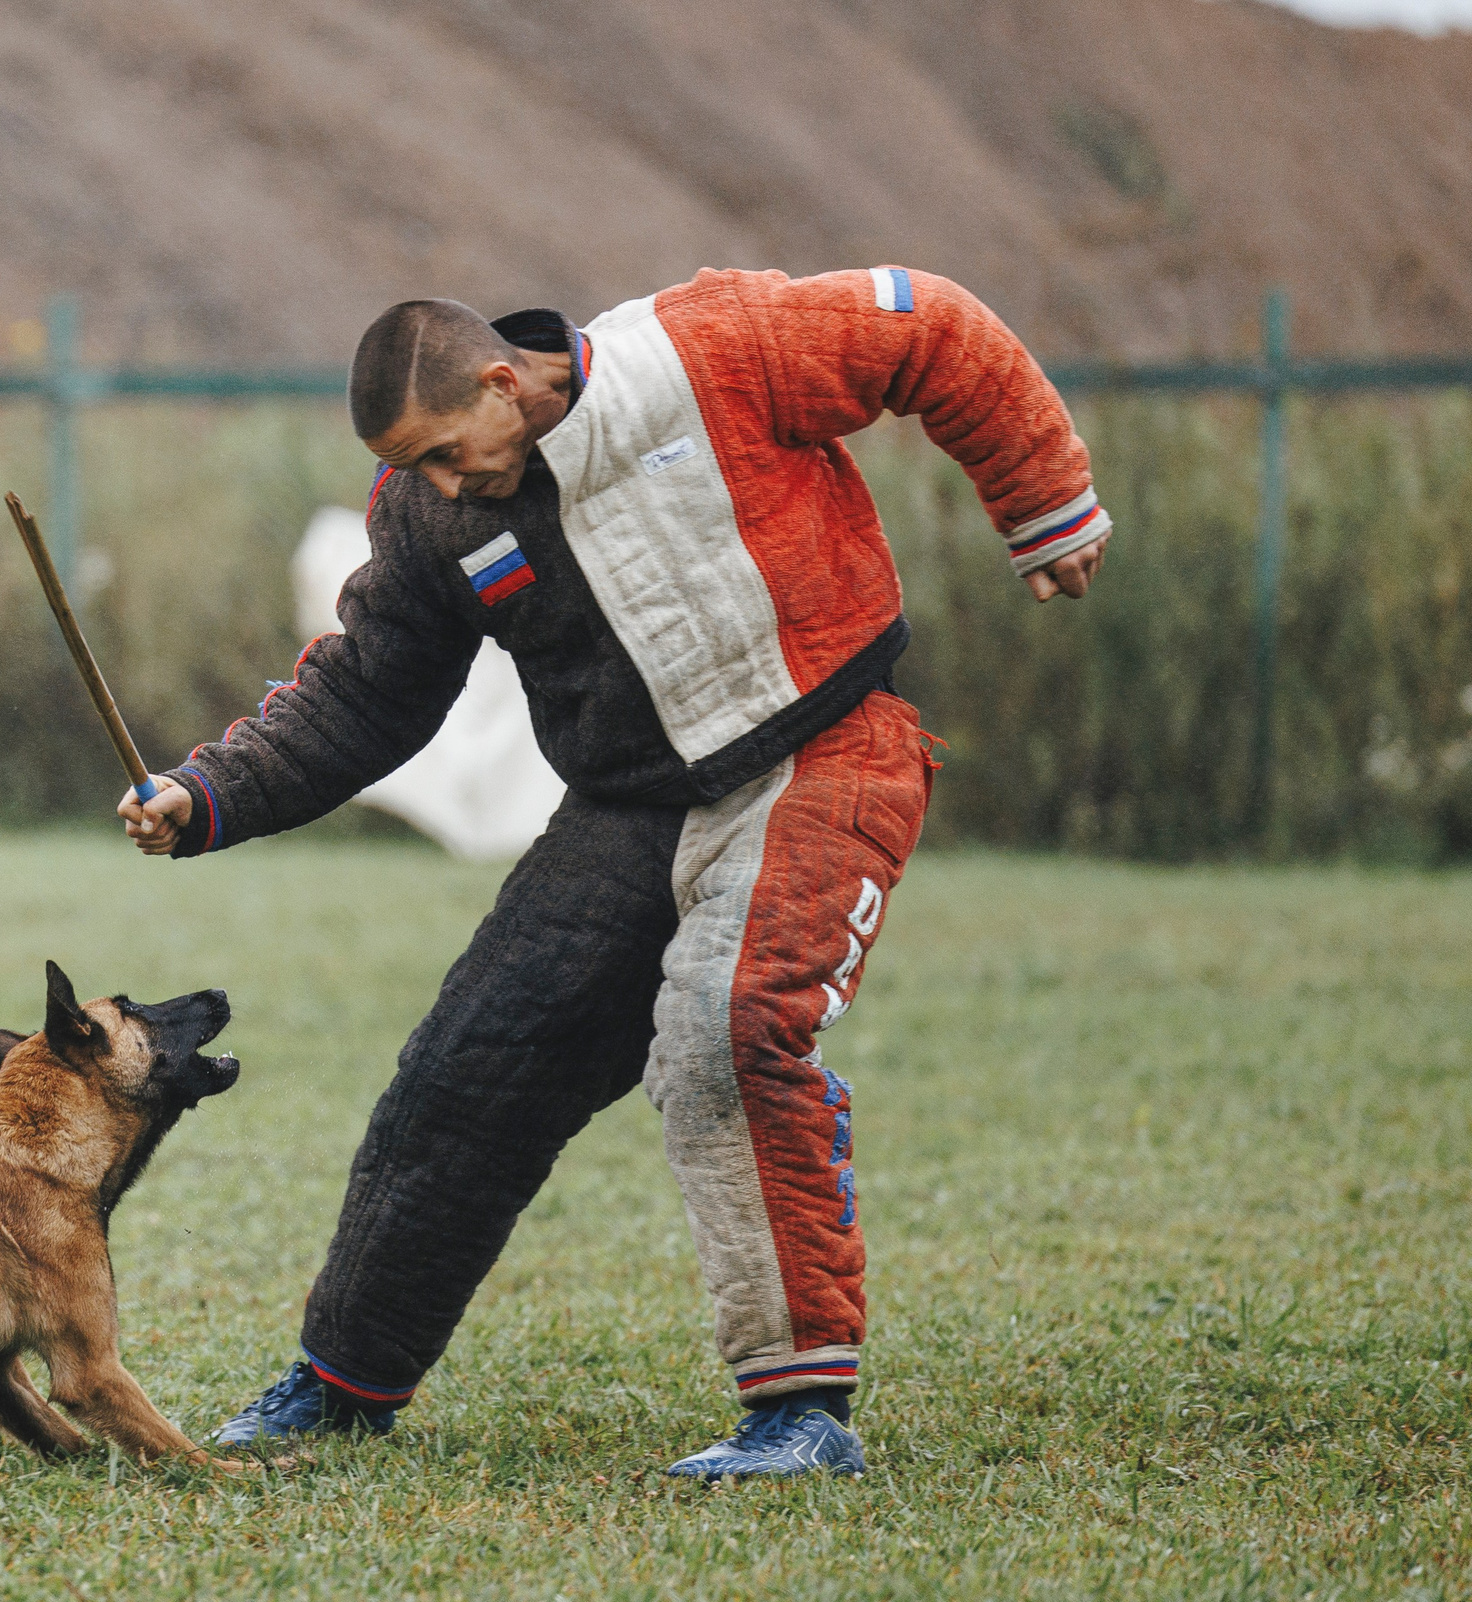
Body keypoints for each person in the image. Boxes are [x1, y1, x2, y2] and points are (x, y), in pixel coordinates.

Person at [117, 267, 1109, 1480]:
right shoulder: (430, 513)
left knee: (726, 1029)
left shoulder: (711, 350)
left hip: (822, 746)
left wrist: (1044, 501)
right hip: (628, 807)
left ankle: (799, 1412)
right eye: (412, 467)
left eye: (441, 453)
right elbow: (370, 690)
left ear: (501, 380)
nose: (435, 485)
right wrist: (206, 792)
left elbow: (931, 325)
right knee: (463, 1070)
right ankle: (343, 1381)